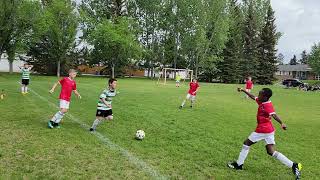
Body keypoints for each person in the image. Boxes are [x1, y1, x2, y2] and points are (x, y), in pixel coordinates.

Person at [227, 87, 302, 180]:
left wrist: (282, 123)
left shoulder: (267, 105)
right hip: (269, 130)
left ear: (266, 97)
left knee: (246, 143)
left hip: (263, 129)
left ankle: (239, 164)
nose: (258, 96)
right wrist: (243, 90)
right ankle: (293, 165)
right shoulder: (262, 101)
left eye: (260, 94)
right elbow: (252, 96)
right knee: (271, 151)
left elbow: (274, 114)